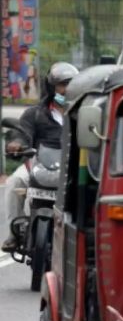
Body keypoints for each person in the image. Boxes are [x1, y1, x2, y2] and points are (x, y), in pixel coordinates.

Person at [2, 62, 79, 252]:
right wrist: (17, 144)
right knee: (15, 182)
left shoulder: (84, 114)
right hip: (40, 164)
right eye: (62, 84)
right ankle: (15, 234)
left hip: (74, 167)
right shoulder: (35, 114)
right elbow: (22, 133)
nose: (66, 89)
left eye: (71, 83)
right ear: (52, 87)